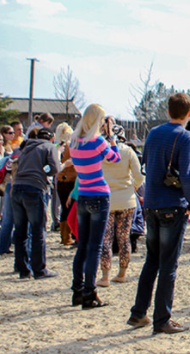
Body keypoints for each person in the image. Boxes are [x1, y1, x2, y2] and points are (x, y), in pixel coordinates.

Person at [128, 93, 190, 334]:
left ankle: (138, 312)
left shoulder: (154, 133)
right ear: (189, 113)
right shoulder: (186, 137)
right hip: (172, 204)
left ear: (168, 111)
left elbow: (146, 162)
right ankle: (162, 319)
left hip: (151, 201)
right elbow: (187, 174)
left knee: (152, 260)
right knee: (169, 264)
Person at [69, 105, 121, 308]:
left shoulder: (74, 141)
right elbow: (114, 158)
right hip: (99, 194)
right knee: (95, 247)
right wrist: (112, 139)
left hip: (82, 194)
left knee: (82, 246)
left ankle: (77, 290)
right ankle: (90, 293)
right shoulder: (97, 141)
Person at [11, 127, 60, 280]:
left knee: (20, 231)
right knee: (38, 230)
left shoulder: (25, 147)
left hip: (17, 187)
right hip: (34, 187)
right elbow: (55, 168)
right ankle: (39, 269)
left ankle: (23, 269)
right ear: (51, 138)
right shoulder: (49, 147)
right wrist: (43, 171)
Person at [98, 121, 143, 287]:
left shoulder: (100, 152)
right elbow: (139, 175)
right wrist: (133, 185)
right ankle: (122, 273)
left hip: (105, 197)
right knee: (124, 238)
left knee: (106, 238)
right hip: (126, 198)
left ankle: (105, 276)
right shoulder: (128, 151)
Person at [54, 122, 77, 246]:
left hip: (60, 180)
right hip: (71, 180)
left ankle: (64, 236)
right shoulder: (71, 146)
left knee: (64, 207)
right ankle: (69, 235)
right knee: (71, 208)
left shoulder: (56, 146)